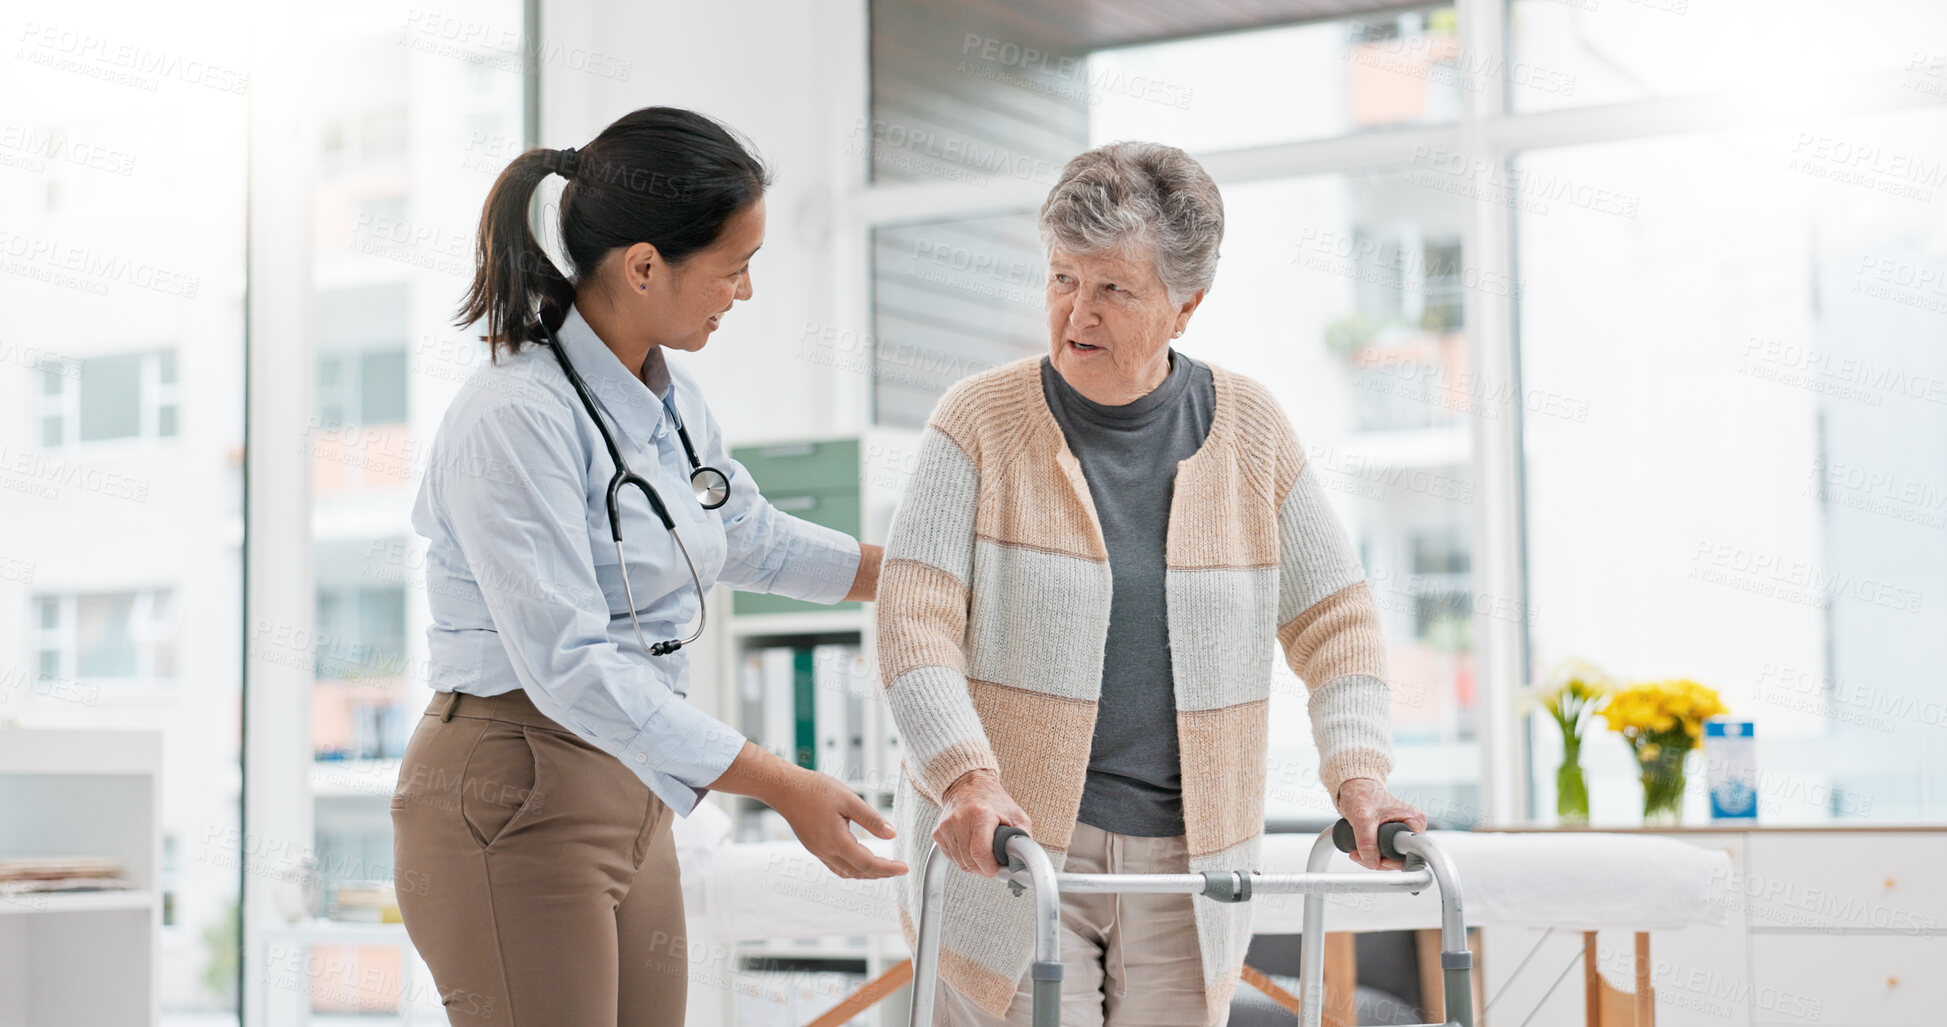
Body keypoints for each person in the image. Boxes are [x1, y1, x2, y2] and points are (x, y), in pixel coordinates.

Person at [876, 140, 1428, 1026]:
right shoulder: (976, 423)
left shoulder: (1249, 430)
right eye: (1061, 278)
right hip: (1011, 855)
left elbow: (1338, 622)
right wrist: (965, 776)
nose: (1073, 313)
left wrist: (1357, 775)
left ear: (1185, 305)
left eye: (1111, 289)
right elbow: (914, 623)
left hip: (1189, 861)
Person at [390, 106, 906, 1026]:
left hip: (632, 777)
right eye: (732, 268)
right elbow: (569, 664)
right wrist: (785, 784)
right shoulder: (515, 416)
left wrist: (924, 575)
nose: (742, 292)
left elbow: (750, 536)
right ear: (641, 265)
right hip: (514, 773)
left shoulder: (667, 399)